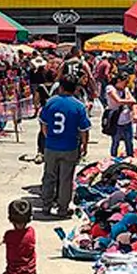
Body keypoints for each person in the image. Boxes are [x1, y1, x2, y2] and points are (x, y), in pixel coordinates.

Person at [39, 77, 91, 218]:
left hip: (51, 146)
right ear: (75, 89)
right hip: (70, 146)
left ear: (60, 87)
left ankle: (46, 205)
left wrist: (49, 138)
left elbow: (44, 125)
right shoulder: (79, 106)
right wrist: (84, 145)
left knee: (49, 176)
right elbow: (84, 129)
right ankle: (63, 209)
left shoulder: (51, 102)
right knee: (66, 179)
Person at [28, 58, 56, 164]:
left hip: (44, 110)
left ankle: (40, 151)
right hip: (55, 111)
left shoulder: (40, 87)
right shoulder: (57, 87)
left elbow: (36, 100)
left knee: (42, 131)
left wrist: (37, 107)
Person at [105, 72, 136, 157]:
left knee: (129, 142)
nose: (126, 84)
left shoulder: (126, 89)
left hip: (127, 119)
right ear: (119, 80)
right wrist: (129, 101)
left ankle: (130, 158)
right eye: (125, 82)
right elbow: (118, 101)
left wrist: (133, 109)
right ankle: (113, 159)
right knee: (115, 142)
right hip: (115, 120)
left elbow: (133, 100)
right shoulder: (110, 88)